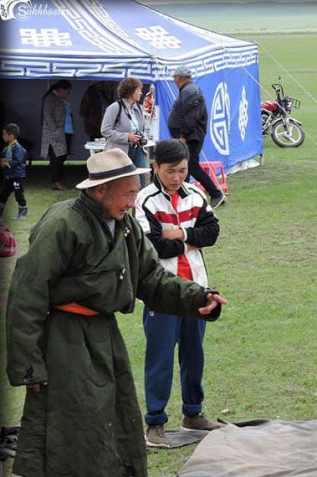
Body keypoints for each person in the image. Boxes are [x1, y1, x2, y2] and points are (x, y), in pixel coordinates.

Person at [5, 148, 227, 477]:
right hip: (64, 340)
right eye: (129, 194)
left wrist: (197, 297)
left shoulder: (125, 227)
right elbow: (26, 293)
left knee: (117, 414)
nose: (133, 202)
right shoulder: (62, 224)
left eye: (137, 193)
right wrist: (29, 365)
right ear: (99, 191)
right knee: (76, 422)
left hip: (105, 336)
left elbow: (151, 278)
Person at [135, 138, 225, 448]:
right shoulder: (144, 200)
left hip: (197, 289)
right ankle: (155, 422)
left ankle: (193, 413)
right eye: (170, 171)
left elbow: (212, 233)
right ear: (155, 167)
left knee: (194, 354)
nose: (177, 177)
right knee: (159, 357)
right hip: (161, 291)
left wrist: (181, 234)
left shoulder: (196, 194)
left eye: (183, 170)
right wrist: (190, 239)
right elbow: (154, 246)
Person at [167, 66, 226, 209]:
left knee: (191, 166)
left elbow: (190, 116)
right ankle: (183, 197)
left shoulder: (190, 91)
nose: (174, 81)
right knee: (185, 165)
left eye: (175, 78)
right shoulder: (189, 90)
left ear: (178, 78)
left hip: (190, 136)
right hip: (191, 135)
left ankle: (216, 193)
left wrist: (184, 136)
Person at [101, 76, 150, 188]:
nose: (141, 93)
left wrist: (142, 138)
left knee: (143, 180)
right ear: (130, 91)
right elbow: (105, 130)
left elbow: (142, 129)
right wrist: (127, 137)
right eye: (138, 90)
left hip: (137, 149)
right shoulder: (114, 108)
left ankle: (141, 204)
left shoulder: (138, 108)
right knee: (121, 182)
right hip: (120, 151)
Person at [40, 79, 72, 191]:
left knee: (61, 157)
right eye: (67, 92)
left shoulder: (59, 99)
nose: (68, 94)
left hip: (63, 132)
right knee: (56, 158)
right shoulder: (50, 99)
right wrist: (55, 131)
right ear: (60, 90)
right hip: (55, 134)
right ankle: (56, 181)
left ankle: (59, 180)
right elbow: (48, 116)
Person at [1, 123, 28, 220]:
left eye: (4, 134)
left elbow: (18, 160)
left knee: (18, 194)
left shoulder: (18, 148)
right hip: (8, 176)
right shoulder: (7, 147)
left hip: (17, 176)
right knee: (3, 194)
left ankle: (23, 213)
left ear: (11, 136)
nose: (3, 136)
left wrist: (8, 163)